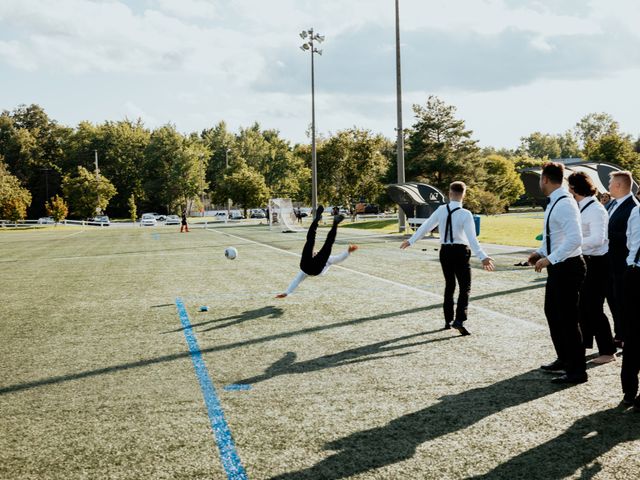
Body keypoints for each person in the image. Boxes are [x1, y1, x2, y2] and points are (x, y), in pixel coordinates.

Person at [400, 181, 495, 336]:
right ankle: (459, 319)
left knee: (449, 285)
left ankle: (447, 320)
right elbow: (472, 239)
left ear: (450, 194)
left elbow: (426, 226)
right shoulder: (466, 214)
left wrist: (411, 240)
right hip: (460, 251)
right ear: (464, 194)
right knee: (465, 287)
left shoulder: (441, 210)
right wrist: (483, 256)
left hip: (445, 252)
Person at [527, 162, 586, 384]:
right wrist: (539, 252)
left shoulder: (565, 204)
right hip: (559, 266)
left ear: (545, 179)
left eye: (540, 178)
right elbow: (554, 236)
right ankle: (564, 358)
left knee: (568, 320)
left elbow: (575, 239)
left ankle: (577, 371)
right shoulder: (555, 202)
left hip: (569, 267)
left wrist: (549, 259)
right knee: (553, 313)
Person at [567, 172, 616, 365]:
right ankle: (585, 344)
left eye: (569, 187)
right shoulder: (581, 207)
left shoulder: (595, 209)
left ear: (575, 188)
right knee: (582, 307)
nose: (567, 190)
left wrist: (572, 243)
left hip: (599, 263)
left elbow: (598, 240)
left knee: (593, 308)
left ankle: (608, 350)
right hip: (586, 260)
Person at [276, 206, 356, 298]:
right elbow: (339, 259)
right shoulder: (327, 260)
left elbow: (296, 280)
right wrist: (348, 252)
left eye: (315, 252)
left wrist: (287, 292)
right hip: (311, 268)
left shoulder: (321, 262)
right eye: (315, 252)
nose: (315, 252)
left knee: (314, 241)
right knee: (320, 242)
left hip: (312, 268)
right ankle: (328, 222)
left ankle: (325, 221)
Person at [606, 171, 639, 347]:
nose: (608, 185)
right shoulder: (613, 204)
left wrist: (606, 234)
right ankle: (620, 334)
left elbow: (631, 239)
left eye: (611, 183)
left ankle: (626, 336)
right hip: (611, 263)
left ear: (618, 185)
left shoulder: (633, 207)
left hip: (623, 264)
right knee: (614, 300)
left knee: (623, 303)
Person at [621, 203, 640, 409]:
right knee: (632, 334)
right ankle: (629, 390)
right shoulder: (636, 210)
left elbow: (629, 240)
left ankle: (629, 391)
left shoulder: (636, 210)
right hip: (634, 272)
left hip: (633, 271)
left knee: (632, 334)